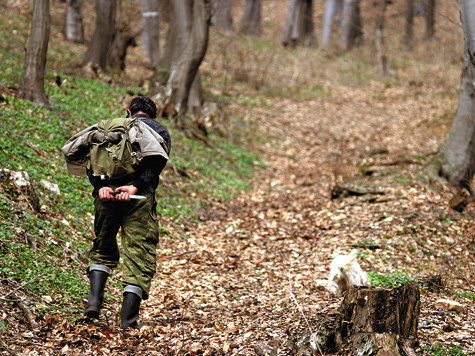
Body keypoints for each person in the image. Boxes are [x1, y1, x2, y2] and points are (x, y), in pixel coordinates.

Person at [84, 96, 171, 329]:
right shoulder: (159, 130)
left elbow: (92, 161)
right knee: (138, 252)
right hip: (138, 200)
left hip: (105, 196)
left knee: (102, 246)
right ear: (153, 115)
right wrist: (134, 187)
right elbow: (155, 166)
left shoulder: (108, 129)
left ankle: (94, 301)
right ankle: (128, 321)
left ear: (128, 112)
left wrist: (101, 187)